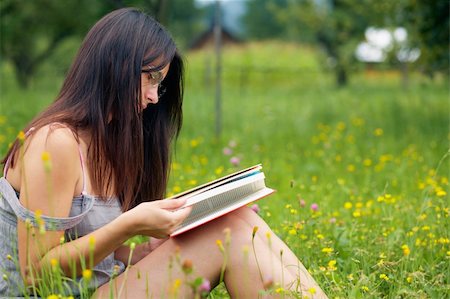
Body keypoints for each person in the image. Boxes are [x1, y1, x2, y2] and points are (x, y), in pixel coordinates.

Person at [0, 7, 327, 298]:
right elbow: (35, 274)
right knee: (230, 232)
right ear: (115, 67)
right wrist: (129, 226)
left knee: (235, 220)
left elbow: (87, 252)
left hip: (97, 288)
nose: (155, 97)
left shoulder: (108, 142)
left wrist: (139, 252)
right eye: (150, 79)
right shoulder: (54, 141)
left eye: (161, 84)